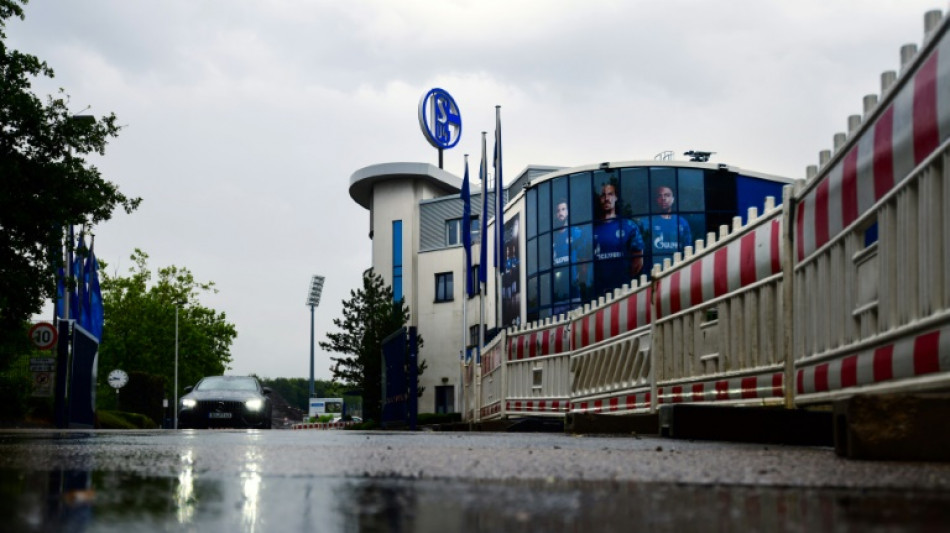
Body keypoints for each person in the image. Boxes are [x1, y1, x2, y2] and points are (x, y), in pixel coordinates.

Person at [592, 183, 644, 285]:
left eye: (610, 194)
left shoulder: (629, 226)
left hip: (623, 290)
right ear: (599, 199)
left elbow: (638, 261)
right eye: (603, 195)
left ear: (616, 197)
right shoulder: (592, 230)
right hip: (599, 291)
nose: (607, 198)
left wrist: (626, 281)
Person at [649, 185, 692, 258]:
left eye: (667, 195)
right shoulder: (647, 222)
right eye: (660, 196)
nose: (663, 198)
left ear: (673, 199)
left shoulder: (682, 222)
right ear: (656, 200)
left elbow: (688, 248)